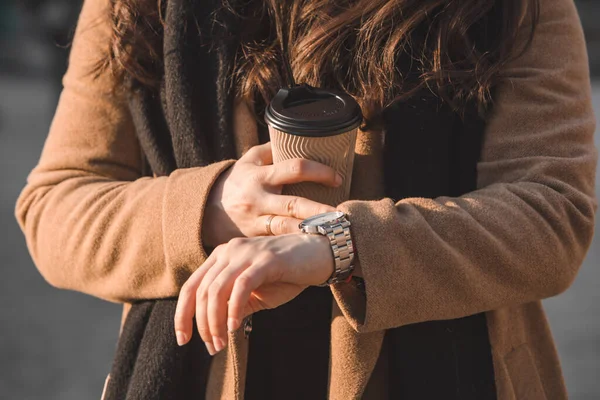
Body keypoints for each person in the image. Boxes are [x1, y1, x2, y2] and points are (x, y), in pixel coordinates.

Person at [15, 0, 597, 398]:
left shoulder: (512, 9)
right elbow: (56, 205)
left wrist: (342, 246)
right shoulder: (133, 7)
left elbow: (552, 212)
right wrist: (212, 206)